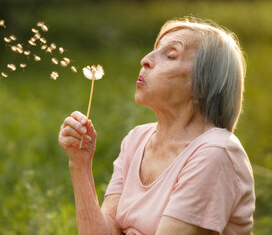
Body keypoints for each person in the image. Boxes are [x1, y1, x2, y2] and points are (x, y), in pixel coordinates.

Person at [58, 17, 255, 235]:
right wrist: (80, 163)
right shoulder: (136, 140)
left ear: (203, 85)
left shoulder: (214, 153)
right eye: (154, 50)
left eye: (170, 55)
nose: (145, 60)